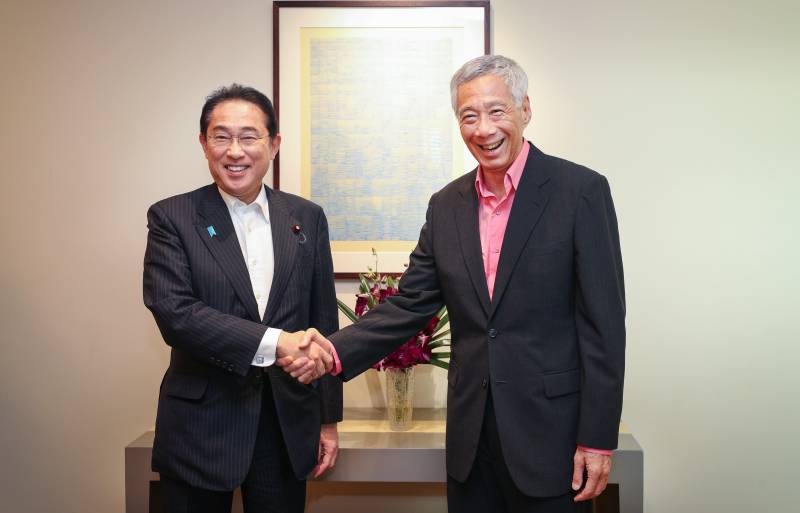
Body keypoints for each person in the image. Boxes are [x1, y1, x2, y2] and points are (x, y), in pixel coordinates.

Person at [281, 55, 626, 513]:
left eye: (497, 111)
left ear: (526, 109)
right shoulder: (446, 205)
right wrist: (333, 352)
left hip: (553, 440)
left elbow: (604, 326)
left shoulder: (580, 191)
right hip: (470, 443)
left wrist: (598, 438)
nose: (484, 128)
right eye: (469, 116)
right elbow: (410, 303)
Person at [143, 84, 341, 513]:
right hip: (201, 427)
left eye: (249, 137)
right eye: (221, 136)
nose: (235, 151)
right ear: (203, 143)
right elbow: (176, 313)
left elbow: (322, 320)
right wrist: (277, 342)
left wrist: (328, 420)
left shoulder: (306, 217)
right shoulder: (172, 217)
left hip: (285, 425)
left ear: (273, 145)